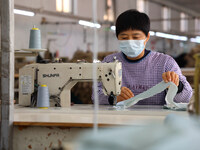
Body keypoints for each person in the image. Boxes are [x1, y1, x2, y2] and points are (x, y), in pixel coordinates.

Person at [92, 9, 192, 105]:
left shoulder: (165, 63)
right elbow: (95, 95)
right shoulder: (109, 62)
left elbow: (187, 97)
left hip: (155, 119)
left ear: (147, 37)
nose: (130, 41)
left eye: (136, 37)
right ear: (117, 37)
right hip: (120, 118)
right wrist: (112, 98)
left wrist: (177, 86)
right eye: (124, 37)